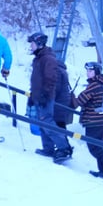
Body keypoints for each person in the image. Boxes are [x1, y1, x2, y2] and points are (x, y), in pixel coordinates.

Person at [27, 33, 72, 163]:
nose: (31, 46)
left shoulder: (48, 59)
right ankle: (48, 148)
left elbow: (50, 78)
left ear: (39, 44)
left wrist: (44, 94)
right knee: (42, 123)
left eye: (33, 43)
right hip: (38, 95)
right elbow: (36, 80)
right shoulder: (38, 58)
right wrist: (32, 95)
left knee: (47, 122)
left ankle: (64, 148)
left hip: (45, 97)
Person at [75, 62, 103, 181]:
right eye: (87, 71)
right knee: (99, 145)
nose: (87, 73)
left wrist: (70, 100)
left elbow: (80, 100)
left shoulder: (94, 86)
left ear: (96, 72)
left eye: (90, 71)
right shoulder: (100, 85)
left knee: (95, 147)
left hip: (93, 121)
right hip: (98, 120)